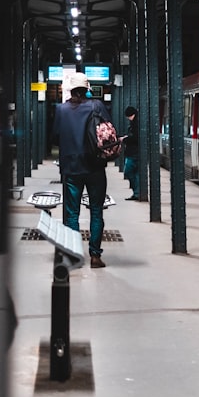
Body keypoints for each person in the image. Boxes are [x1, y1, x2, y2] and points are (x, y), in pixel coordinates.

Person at [53, 72, 110, 268]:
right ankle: (95, 256)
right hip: (95, 167)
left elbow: (56, 135)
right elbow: (107, 131)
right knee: (96, 211)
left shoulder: (61, 109)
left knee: (71, 214)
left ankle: (74, 255)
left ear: (70, 89)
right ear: (87, 89)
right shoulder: (97, 106)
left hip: (71, 168)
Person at [121, 105, 140, 200]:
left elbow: (135, 138)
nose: (128, 119)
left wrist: (125, 139)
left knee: (128, 171)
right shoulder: (135, 123)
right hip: (134, 152)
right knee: (136, 173)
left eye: (129, 116)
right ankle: (137, 192)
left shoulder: (136, 124)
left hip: (133, 153)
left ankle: (137, 191)